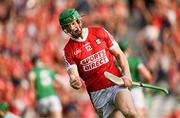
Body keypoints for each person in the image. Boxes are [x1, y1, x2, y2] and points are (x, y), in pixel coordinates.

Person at [59, 8, 140, 118]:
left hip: (116, 83)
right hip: (97, 93)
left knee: (131, 113)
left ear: (79, 20)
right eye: (68, 26)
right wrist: (74, 81)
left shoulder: (100, 32)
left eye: (73, 23)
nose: (72, 28)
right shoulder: (68, 50)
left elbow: (120, 55)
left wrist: (127, 76)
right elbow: (73, 75)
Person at [116, 40, 154, 118]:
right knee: (140, 113)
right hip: (135, 89)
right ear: (128, 49)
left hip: (120, 91)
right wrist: (147, 87)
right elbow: (148, 76)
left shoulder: (114, 62)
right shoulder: (135, 60)